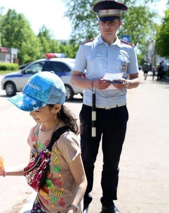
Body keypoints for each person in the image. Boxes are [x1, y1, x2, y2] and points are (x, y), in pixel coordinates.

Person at [70, 1, 140, 213]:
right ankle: (85, 201)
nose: (107, 25)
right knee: (87, 159)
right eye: (103, 21)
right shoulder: (87, 47)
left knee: (112, 161)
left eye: (111, 21)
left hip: (118, 112)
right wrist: (92, 83)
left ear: (119, 23)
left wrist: (127, 84)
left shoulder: (128, 50)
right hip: (91, 111)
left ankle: (108, 203)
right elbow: (74, 78)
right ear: (98, 23)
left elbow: (136, 79)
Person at [5, 72, 87, 213]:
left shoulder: (66, 140)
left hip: (64, 209)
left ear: (56, 108)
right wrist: (3, 171)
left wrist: (73, 208)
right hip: (40, 206)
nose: (31, 113)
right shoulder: (35, 132)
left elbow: (81, 181)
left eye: (36, 109)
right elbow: (32, 167)